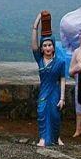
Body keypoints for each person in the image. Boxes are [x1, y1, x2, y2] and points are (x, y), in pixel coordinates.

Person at [31, 11, 66, 147]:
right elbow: (34, 45)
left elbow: (62, 78)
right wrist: (36, 24)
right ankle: (43, 137)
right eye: (44, 46)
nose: (47, 48)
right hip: (44, 91)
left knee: (55, 115)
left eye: (49, 45)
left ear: (53, 46)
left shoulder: (60, 61)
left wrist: (62, 97)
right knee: (42, 112)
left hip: (55, 91)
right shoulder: (39, 59)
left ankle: (56, 137)